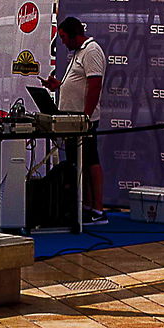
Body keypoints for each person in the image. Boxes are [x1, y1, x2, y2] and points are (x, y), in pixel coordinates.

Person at [55, 15, 107, 222]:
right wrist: (58, 86)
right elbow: (78, 83)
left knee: (91, 161)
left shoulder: (92, 51)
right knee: (79, 163)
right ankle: (85, 205)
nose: (62, 41)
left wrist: (86, 116)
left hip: (83, 120)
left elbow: (95, 85)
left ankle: (98, 209)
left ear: (74, 35)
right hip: (72, 119)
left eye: (64, 37)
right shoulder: (79, 52)